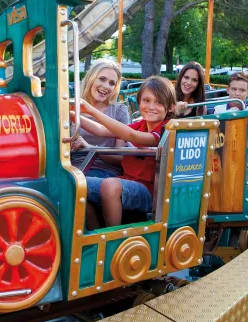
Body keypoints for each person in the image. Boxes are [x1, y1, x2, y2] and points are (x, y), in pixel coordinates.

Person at [72, 76, 176, 228]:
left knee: (110, 185)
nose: (151, 106)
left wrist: (92, 110)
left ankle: (111, 239)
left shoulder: (165, 129)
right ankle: (94, 236)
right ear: (139, 102)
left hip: (150, 191)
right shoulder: (140, 124)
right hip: (127, 180)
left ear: (171, 107)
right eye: (146, 100)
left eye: (159, 102)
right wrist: (71, 114)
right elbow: (100, 130)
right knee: (76, 184)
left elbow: (130, 135)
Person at [70, 60, 131, 178]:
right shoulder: (71, 108)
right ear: (91, 79)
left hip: (104, 170)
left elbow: (120, 158)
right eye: (102, 79)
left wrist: (90, 148)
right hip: (73, 170)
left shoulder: (118, 111)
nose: (106, 86)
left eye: (112, 83)